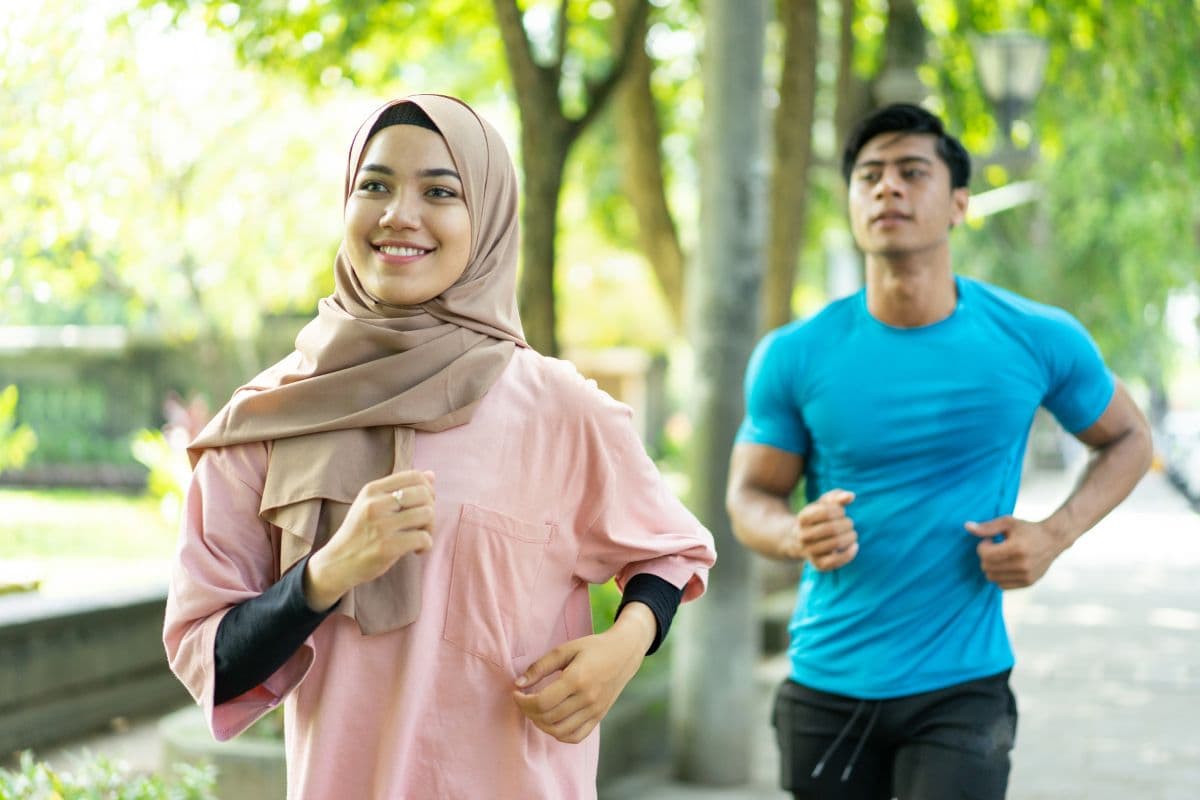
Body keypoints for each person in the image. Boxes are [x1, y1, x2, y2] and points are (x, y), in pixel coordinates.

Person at [163, 93, 716, 799]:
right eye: (376, 185)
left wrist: (624, 646)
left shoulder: (560, 408)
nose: (400, 214)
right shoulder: (270, 419)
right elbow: (208, 657)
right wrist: (326, 574)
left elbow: (668, 550)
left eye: (440, 191)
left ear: (485, 217)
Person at [726, 102, 1152, 799]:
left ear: (958, 204)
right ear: (853, 203)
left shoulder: (1035, 337)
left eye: (911, 172)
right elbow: (750, 496)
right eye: (869, 176)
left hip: (962, 687)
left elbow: (1130, 438)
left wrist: (1054, 535)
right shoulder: (794, 355)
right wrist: (794, 534)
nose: (887, 188)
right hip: (827, 680)